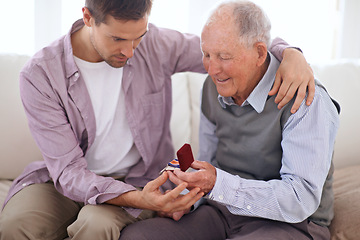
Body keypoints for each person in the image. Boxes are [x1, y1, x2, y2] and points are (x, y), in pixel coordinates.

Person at [0, 0, 315, 239]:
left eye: (138, 37)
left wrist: (291, 54)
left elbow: (231, 49)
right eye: (117, 39)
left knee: (95, 225)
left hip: (138, 178)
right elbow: (68, 173)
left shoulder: (156, 45)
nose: (131, 51)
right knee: (16, 225)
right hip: (60, 181)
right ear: (87, 18)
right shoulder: (41, 74)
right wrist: (141, 200)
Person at [119, 1, 340, 240]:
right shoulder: (213, 88)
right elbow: (210, 162)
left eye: (223, 56)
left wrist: (217, 184)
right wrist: (187, 200)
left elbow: (300, 199)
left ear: (259, 53)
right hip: (222, 212)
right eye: (206, 54)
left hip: (292, 224)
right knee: (136, 236)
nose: (212, 69)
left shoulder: (304, 98)